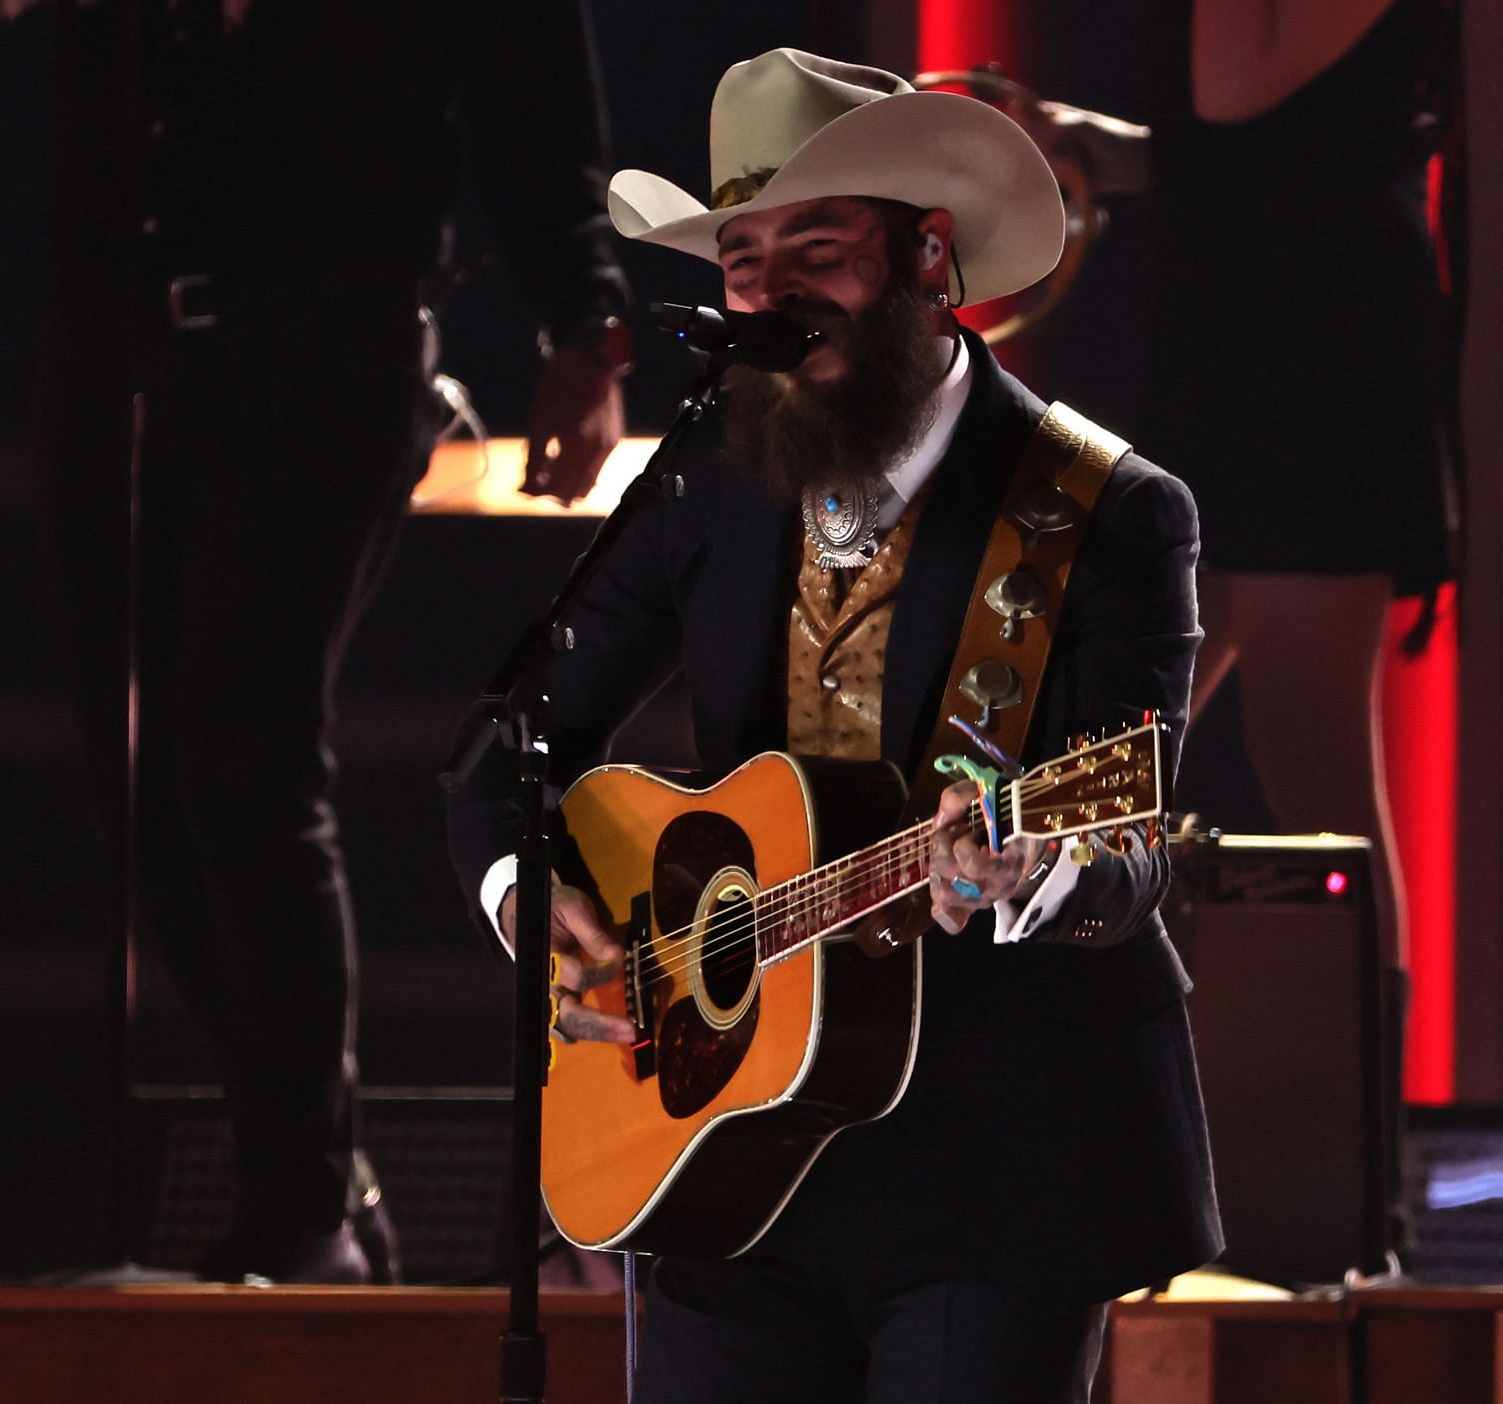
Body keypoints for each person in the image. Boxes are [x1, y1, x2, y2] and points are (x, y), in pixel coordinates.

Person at [450, 49, 1219, 1403]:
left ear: (931, 260)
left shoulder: (1107, 512)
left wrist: (1037, 868)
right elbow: (510, 748)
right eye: (743, 260)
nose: (769, 294)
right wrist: (540, 900)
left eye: (817, 249)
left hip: (1000, 1156)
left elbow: (1135, 834)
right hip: (717, 1137)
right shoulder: (708, 475)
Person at [42, 0, 630, 1283]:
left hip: (329, 347)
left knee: (240, 746)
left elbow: (534, 101)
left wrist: (581, 330)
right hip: (133, 350)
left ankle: (305, 1201)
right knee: (138, 779)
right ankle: (317, 1171)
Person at [1143, 0, 1461, 971]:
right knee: (1110, 740)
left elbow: (1233, 85)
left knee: (1308, 759)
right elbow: (1246, 123)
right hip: (1237, 343)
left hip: (1320, 361)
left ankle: (1365, 1101)